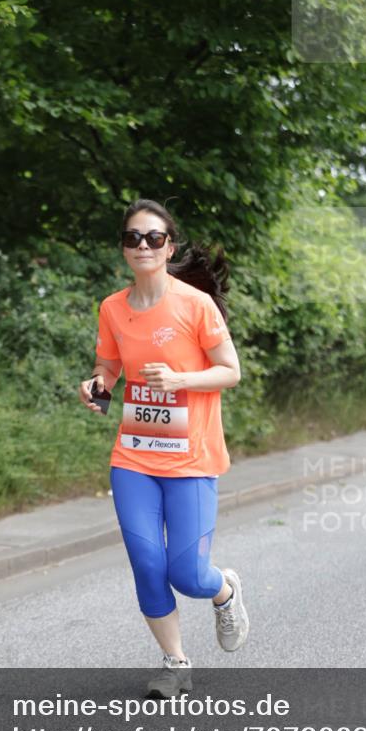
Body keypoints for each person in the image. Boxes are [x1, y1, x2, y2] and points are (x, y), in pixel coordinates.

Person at [79, 198, 248, 697]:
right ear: (124, 248)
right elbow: (107, 368)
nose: (143, 245)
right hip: (134, 455)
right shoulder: (112, 307)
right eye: (133, 237)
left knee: (188, 574)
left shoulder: (195, 305)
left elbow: (230, 371)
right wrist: (96, 386)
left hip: (191, 458)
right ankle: (175, 662)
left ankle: (225, 590)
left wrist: (179, 379)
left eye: (154, 238)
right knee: (148, 565)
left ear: (169, 246)